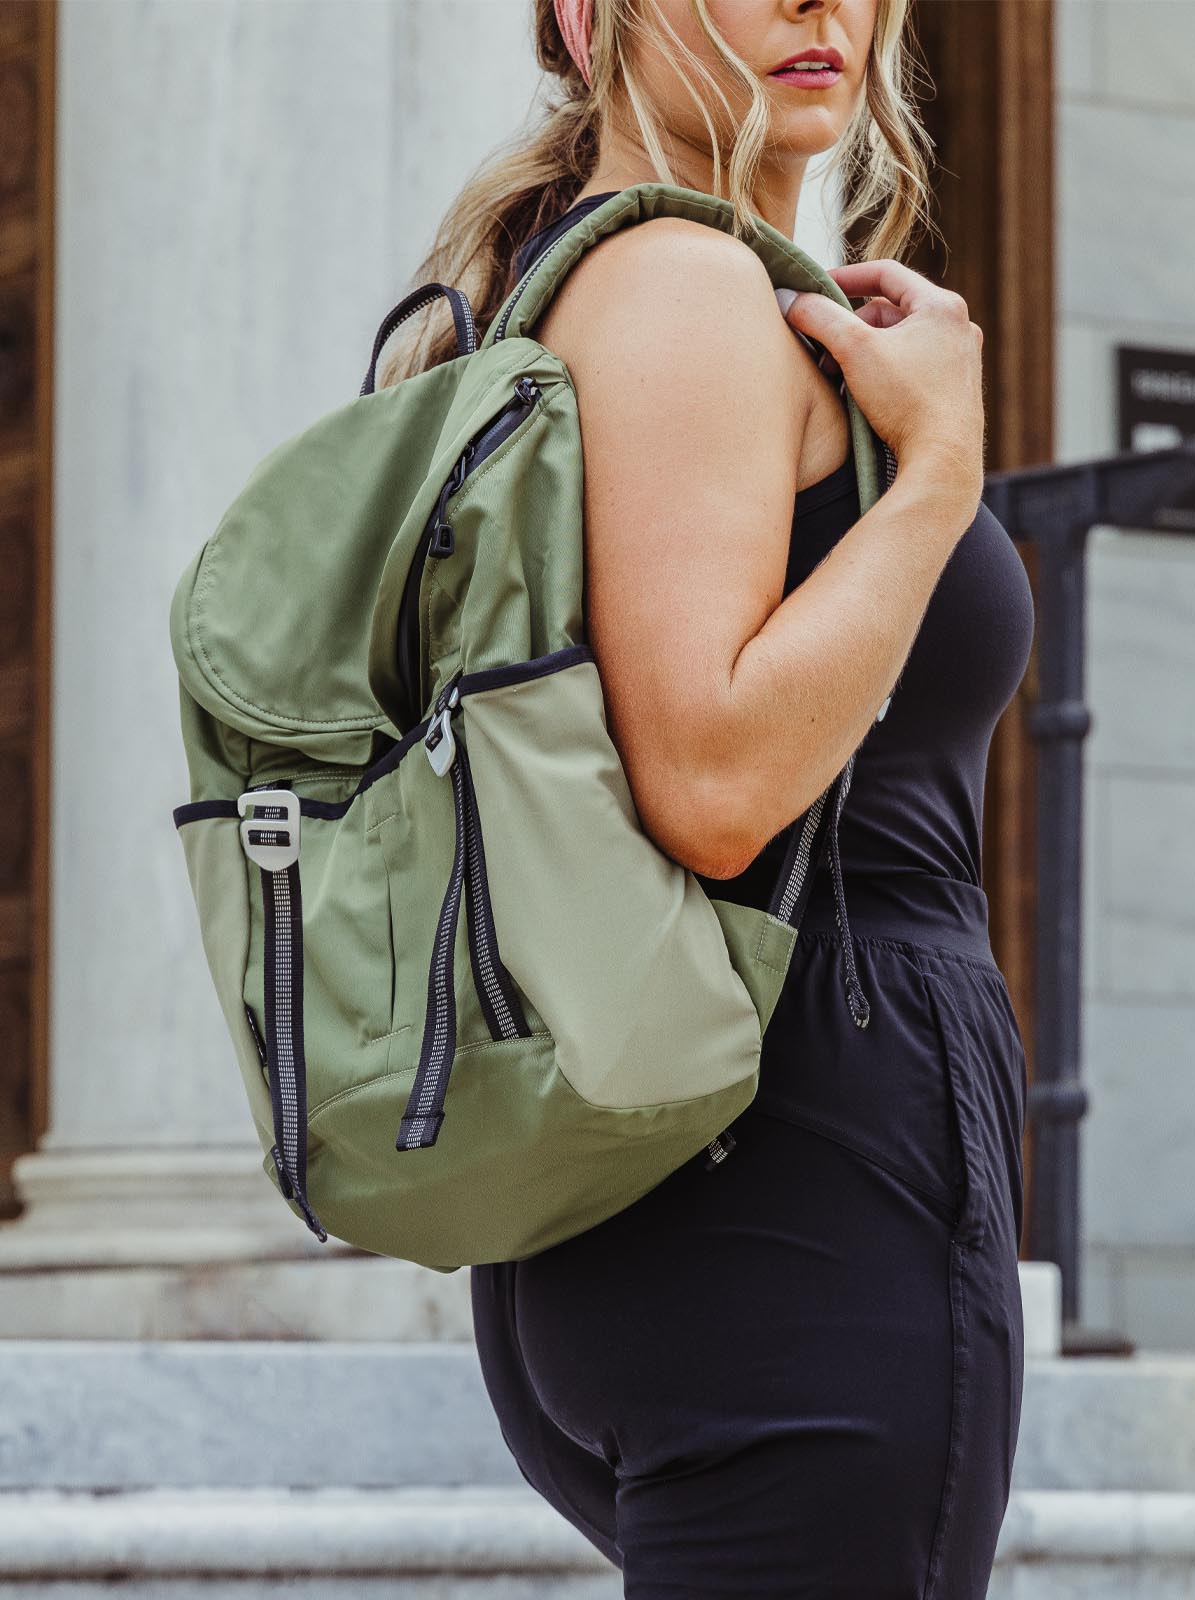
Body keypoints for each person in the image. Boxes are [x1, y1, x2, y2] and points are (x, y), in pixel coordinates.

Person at [386, 1, 1034, 1594]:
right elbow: (714, 779)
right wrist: (940, 466)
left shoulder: (549, 287)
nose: (831, 5)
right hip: (797, 1190)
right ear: (584, 15)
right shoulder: (681, 286)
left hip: (681, 1195)